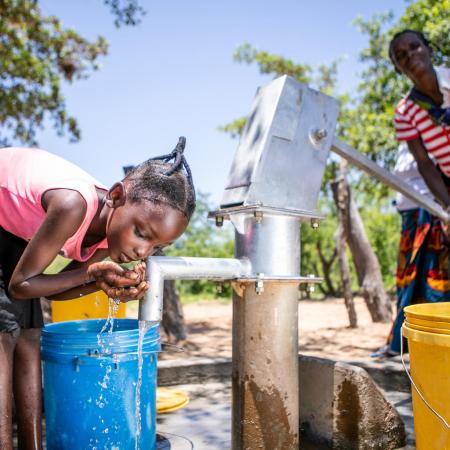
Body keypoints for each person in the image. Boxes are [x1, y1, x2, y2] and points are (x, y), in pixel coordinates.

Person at [0, 137, 196, 449]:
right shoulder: (72, 204)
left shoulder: (106, 235)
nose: (142, 251)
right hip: (5, 212)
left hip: (11, 227)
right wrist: (90, 273)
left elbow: (51, 291)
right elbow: (20, 285)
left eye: (156, 246)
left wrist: (100, 283)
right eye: (141, 233)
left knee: (29, 335)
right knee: (2, 336)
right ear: (116, 196)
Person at [372, 144, 450, 358]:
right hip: (410, 218)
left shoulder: (438, 130)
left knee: (433, 283)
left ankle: (437, 346)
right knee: (407, 283)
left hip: (434, 214)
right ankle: (403, 344)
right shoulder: (406, 141)